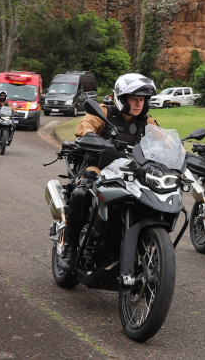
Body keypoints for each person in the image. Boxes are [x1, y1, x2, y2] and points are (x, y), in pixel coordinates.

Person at [58, 73, 159, 271]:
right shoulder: (103, 112)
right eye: (134, 99)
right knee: (83, 189)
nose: (139, 104)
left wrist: (175, 150)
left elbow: (162, 141)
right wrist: (89, 136)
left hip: (131, 172)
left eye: (142, 100)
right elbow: (85, 126)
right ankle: (70, 247)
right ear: (121, 99)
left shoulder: (147, 122)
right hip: (99, 166)